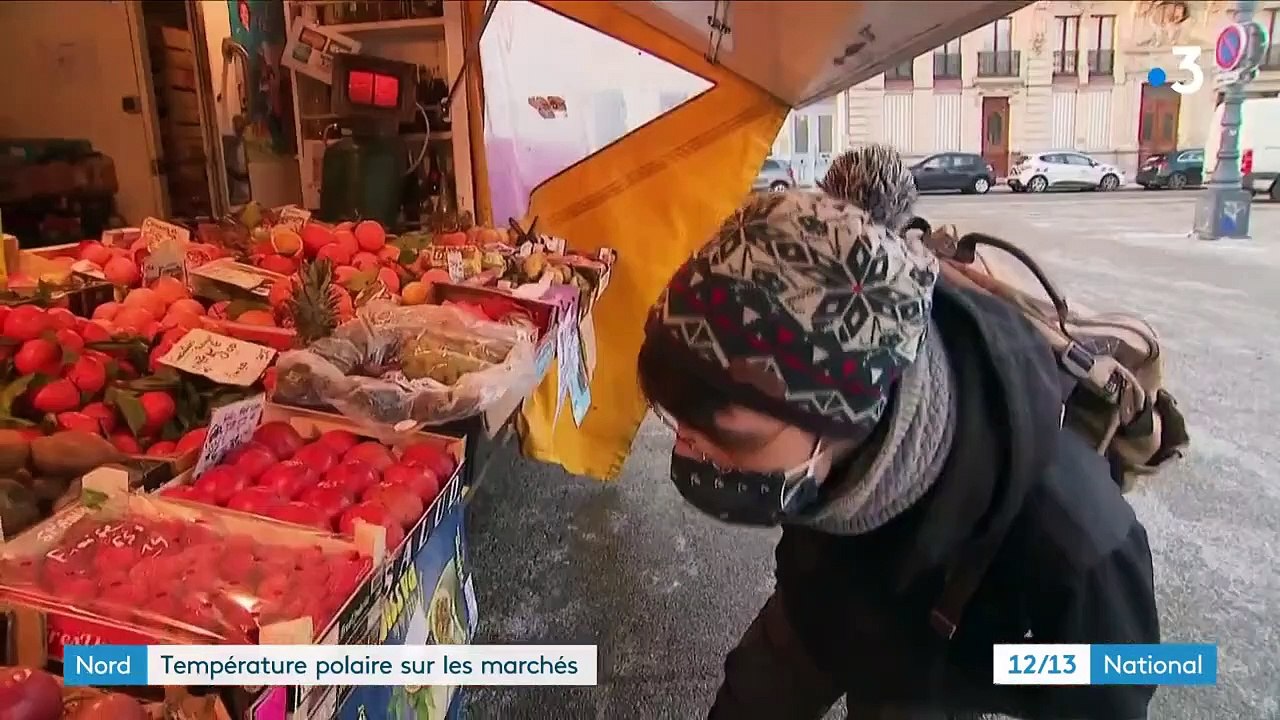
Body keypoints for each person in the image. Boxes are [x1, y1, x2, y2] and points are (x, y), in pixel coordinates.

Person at [637, 145, 1161, 719]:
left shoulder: (1074, 534)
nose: (689, 451)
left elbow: (1121, 677)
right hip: (816, 610)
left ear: (845, 415)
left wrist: (966, 674)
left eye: (728, 435)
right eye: (676, 420)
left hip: (925, 671)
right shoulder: (822, 433)